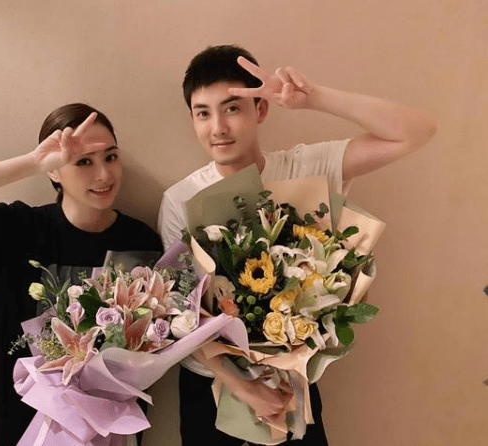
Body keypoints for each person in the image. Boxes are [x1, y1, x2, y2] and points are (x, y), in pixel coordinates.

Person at [158, 45, 437, 445]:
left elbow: (417, 131)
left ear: (261, 109)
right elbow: (180, 310)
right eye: (203, 113)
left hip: (293, 379)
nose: (217, 127)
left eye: (232, 108)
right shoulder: (180, 199)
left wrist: (315, 98)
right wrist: (242, 386)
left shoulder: (307, 168)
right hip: (212, 387)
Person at [0, 103, 163, 446]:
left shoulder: (140, 242)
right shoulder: (22, 229)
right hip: (18, 427)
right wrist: (33, 163)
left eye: (110, 157)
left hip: (107, 431)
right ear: (55, 172)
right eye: (83, 162)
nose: (104, 175)